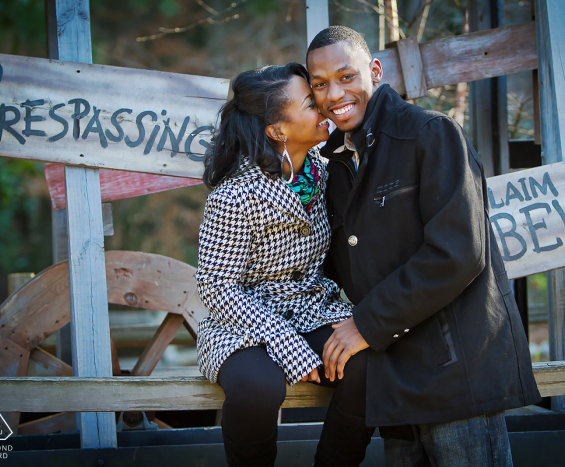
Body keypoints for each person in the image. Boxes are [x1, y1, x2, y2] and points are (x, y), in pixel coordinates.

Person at [306, 26, 542, 467]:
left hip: (455, 376)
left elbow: (458, 252)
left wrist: (365, 325)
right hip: (395, 381)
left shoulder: (430, 134)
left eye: (346, 76)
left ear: (373, 71)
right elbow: (343, 266)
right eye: (320, 84)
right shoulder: (335, 165)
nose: (334, 94)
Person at [195, 63, 374, 467]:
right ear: (277, 130)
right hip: (242, 323)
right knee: (257, 386)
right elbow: (218, 287)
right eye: (311, 102)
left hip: (314, 310)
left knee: (369, 365)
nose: (325, 107)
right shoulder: (235, 196)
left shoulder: (329, 173)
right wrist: (287, 344)